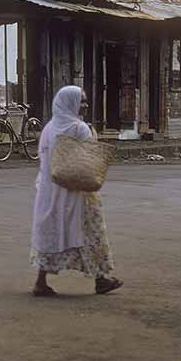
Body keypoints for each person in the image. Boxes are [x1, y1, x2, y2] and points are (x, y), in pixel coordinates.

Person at [30, 85, 122, 297]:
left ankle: (40, 281)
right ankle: (100, 280)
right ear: (70, 103)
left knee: (51, 234)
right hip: (77, 192)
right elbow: (89, 159)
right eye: (81, 101)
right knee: (90, 233)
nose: (85, 105)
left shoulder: (49, 127)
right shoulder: (80, 128)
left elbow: (43, 159)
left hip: (50, 192)